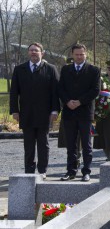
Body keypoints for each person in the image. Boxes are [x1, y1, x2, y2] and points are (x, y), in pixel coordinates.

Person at [10, 42, 60, 179]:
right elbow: (14, 92)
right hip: (26, 114)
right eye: (31, 50)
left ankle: (42, 171)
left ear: (42, 53)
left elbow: (55, 92)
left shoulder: (50, 69)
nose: (33, 52)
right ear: (28, 53)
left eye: (36, 50)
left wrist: (55, 110)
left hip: (45, 114)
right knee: (29, 144)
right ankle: (29, 172)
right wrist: (14, 110)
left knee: (43, 144)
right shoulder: (19, 69)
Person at [58, 43, 101, 182]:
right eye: (76, 54)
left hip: (85, 111)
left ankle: (86, 171)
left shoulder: (94, 70)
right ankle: (71, 171)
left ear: (86, 54)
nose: (79, 57)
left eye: (81, 54)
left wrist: (79, 102)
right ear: (72, 54)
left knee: (86, 144)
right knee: (71, 144)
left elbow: (95, 90)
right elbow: (60, 88)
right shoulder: (65, 69)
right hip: (69, 112)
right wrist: (67, 101)